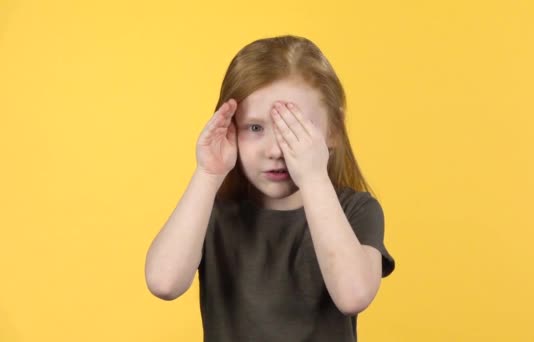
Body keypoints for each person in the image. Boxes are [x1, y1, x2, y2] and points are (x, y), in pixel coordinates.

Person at [145, 35, 396, 341]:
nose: (276, 150)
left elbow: (354, 295)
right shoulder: (214, 213)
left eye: (294, 128)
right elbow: (163, 282)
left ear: (333, 130)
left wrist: (314, 177)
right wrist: (208, 172)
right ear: (231, 129)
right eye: (255, 128)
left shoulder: (355, 209)